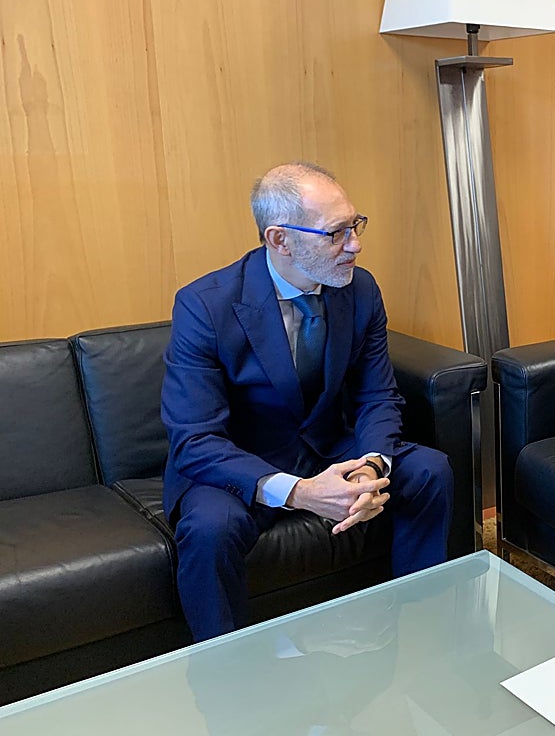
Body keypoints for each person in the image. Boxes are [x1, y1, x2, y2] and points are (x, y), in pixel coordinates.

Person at [162, 161, 452, 642]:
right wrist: (300, 492)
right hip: (240, 461)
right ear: (280, 239)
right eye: (336, 233)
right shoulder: (204, 305)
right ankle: (226, 672)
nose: (355, 244)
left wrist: (372, 465)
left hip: (326, 445)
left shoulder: (359, 289)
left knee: (429, 470)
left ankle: (421, 630)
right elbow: (194, 439)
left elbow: (377, 394)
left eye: (355, 226)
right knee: (210, 530)